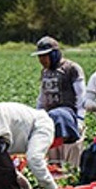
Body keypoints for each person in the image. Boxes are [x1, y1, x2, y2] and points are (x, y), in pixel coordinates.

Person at [32, 36, 85, 168]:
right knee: (52, 155)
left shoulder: (71, 69)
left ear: (54, 54)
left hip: (68, 117)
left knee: (69, 154)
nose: (41, 60)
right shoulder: (45, 72)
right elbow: (43, 96)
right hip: (51, 119)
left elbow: (81, 96)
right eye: (39, 57)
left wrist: (80, 118)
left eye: (45, 56)